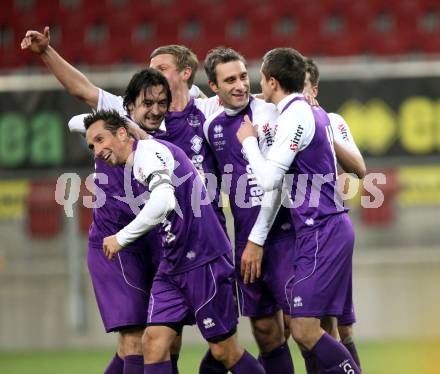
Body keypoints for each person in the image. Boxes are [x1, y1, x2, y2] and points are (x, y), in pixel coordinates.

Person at [84, 109, 266, 374]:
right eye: (91, 146)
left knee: (223, 350)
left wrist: (121, 238)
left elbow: (163, 200)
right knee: (153, 342)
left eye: (100, 140)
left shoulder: (147, 154)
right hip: (173, 262)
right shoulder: (137, 162)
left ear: (123, 133)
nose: (97, 150)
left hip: (203, 259)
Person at [236, 47, 361, 374]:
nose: (256, 82)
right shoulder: (306, 111)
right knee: (323, 327)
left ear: (273, 81)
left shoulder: (294, 116)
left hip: (321, 229)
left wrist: (248, 141)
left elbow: (267, 180)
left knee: (306, 329)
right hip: (323, 228)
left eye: (261, 75)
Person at [202, 47, 295, 374]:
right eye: (230, 80)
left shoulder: (272, 113)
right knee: (267, 332)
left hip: (285, 234)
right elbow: (211, 189)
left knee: (304, 325)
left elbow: (279, 180)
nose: (240, 85)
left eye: (243, 76)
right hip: (244, 243)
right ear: (214, 88)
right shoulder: (210, 128)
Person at [303, 57, 364, 370]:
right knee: (304, 326)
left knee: (338, 325)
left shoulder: (333, 120)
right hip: (297, 233)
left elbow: (360, 169)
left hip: (327, 229)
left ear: (314, 89)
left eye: (302, 86)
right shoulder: (281, 121)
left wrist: (324, 131)